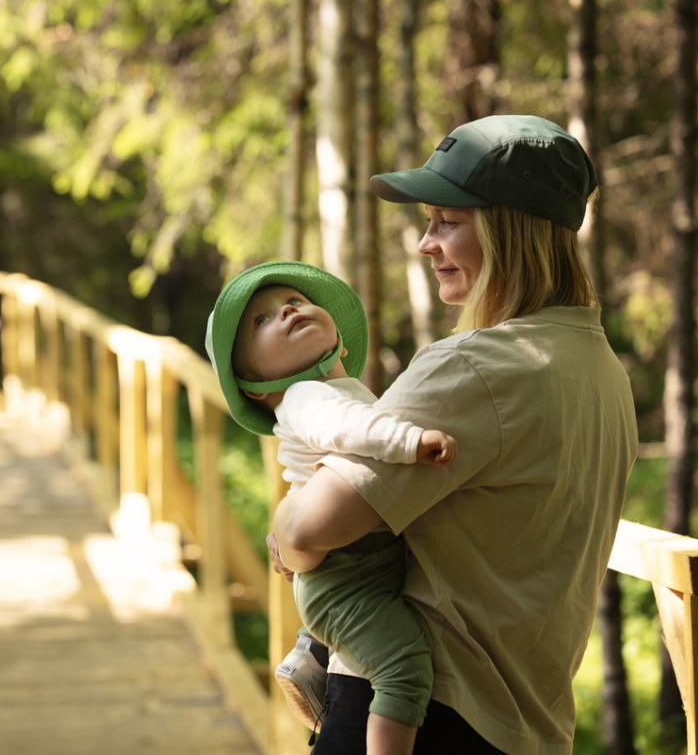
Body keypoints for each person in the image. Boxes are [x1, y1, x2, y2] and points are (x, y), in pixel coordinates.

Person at [269, 114, 638, 754]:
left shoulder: (476, 365)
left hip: (420, 712)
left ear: (508, 230)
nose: (425, 243)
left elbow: (306, 531)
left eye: (448, 222)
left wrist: (282, 530)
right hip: (525, 723)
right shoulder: (601, 369)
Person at [205, 260, 457, 753]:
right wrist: (413, 440)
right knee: (403, 670)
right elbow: (352, 432)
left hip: (352, 562)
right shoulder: (305, 397)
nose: (287, 311)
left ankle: (312, 654)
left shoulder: (341, 394)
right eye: (261, 321)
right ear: (255, 387)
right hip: (344, 575)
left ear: (339, 341)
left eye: (294, 302)